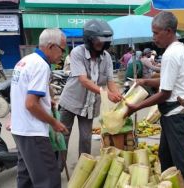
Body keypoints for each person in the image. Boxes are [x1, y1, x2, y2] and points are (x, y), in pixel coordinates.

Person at [124, 11, 184, 188]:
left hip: (179, 116)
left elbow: (165, 93)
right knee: (165, 158)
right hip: (174, 116)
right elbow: (167, 81)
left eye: (156, 33)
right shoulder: (178, 49)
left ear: (168, 31)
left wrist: (136, 107)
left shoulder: (171, 54)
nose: (153, 38)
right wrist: (145, 81)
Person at [10, 28, 68, 188]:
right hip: (32, 131)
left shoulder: (25, 60)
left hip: (20, 129)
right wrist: (54, 122)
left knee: (26, 177)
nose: (62, 54)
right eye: (62, 49)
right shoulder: (41, 65)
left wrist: (47, 99)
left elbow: (21, 93)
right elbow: (30, 104)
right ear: (51, 46)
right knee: (49, 179)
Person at [58, 19, 122, 163]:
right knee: (63, 137)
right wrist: (105, 93)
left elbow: (110, 81)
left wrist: (117, 94)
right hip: (70, 102)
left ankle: (83, 167)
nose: (101, 43)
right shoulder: (77, 52)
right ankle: (57, 168)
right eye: (97, 40)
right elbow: (83, 80)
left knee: (86, 138)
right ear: (89, 39)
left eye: (104, 40)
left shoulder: (107, 59)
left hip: (90, 106)